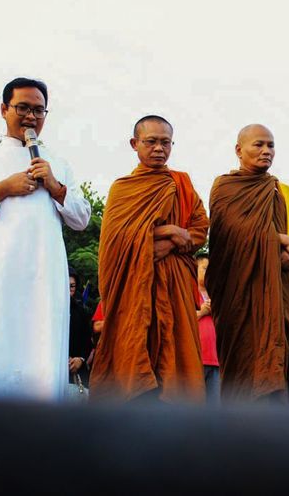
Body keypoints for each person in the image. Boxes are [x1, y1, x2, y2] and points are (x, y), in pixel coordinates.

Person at [0, 77, 91, 400]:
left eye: (39, 110)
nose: (31, 117)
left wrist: (55, 186)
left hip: (44, 276)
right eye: (22, 108)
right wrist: (1, 189)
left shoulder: (58, 164)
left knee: (41, 350)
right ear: (3, 109)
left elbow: (82, 218)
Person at [90, 115, 208, 403]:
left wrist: (168, 241)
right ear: (135, 144)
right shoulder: (123, 189)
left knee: (177, 358)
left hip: (175, 284)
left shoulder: (182, 183)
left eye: (165, 142)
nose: (159, 148)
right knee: (135, 350)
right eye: (151, 141)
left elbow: (199, 229)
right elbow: (114, 242)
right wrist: (169, 231)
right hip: (135, 286)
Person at [206, 124, 289, 404]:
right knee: (247, 363)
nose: (266, 151)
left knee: (287, 354)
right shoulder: (225, 187)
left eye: (271, 145)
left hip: (281, 293)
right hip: (241, 296)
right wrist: (279, 240)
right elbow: (228, 232)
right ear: (238, 150)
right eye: (258, 145)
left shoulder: (284, 192)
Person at [195, 253, 220, 405]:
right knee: (195, 407)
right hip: (196, 360)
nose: (208, 272)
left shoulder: (217, 296)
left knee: (214, 408)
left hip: (216, 361)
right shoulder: (188, 293)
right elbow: (180, 320)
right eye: (204, 268)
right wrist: (202, 312)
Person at [68, 268, 92, 390]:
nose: (68, 290)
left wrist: (80, 359)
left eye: (72, 286)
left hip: (76, 373)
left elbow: (87, 341)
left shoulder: (80, 311)